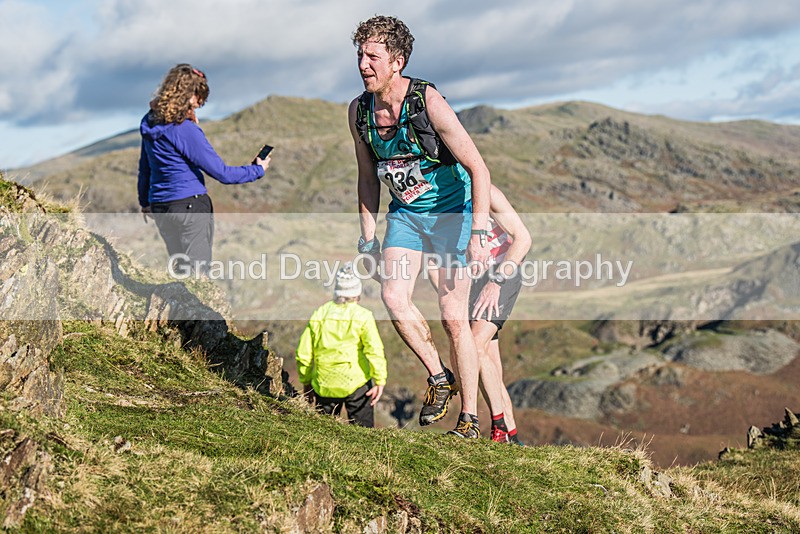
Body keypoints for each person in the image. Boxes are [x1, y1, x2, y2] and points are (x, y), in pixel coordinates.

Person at [349, 16, 491, 438]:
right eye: (359, 55)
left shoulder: (425, 100)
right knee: (393, 296)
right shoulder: (359, 112)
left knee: (451, 315)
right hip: (407, 215)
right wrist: (367, 239)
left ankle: (468, 420)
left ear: (397, 61)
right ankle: (439, 377)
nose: (362, 64)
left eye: (373, 56)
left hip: (453, 212)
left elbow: (478, 167)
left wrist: (480, 233)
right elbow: (366, 177)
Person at [137, 63, 270, 276]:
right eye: (198, 100)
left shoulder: (149, 122)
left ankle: (175, 308)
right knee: (198, 276)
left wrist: (145, 203)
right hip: (190, 205)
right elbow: (222, 173)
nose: (198, 106)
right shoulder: (185, 129)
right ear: (189, 95)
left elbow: (145, 168)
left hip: (160, 206)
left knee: (179, 271)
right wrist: (257, 170)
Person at [430, 185, 531, 444]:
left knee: (473, 346)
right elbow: (431, 259)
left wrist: (495, 282)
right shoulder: (432, 199)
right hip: (469, 281)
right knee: (488, 363)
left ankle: (496, 429)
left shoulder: (484, 190)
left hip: (502, 272)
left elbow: (523, 238)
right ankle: (512, 437)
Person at [296, 263, 387, 428]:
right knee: (364, 435)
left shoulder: (320, 314)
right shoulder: (363, 316)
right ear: (357, 292)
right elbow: (374, 350)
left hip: (324, 384)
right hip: (357, 384)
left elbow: (304, 353)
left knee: (325, 433)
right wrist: (380, 379)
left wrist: (306, 382)